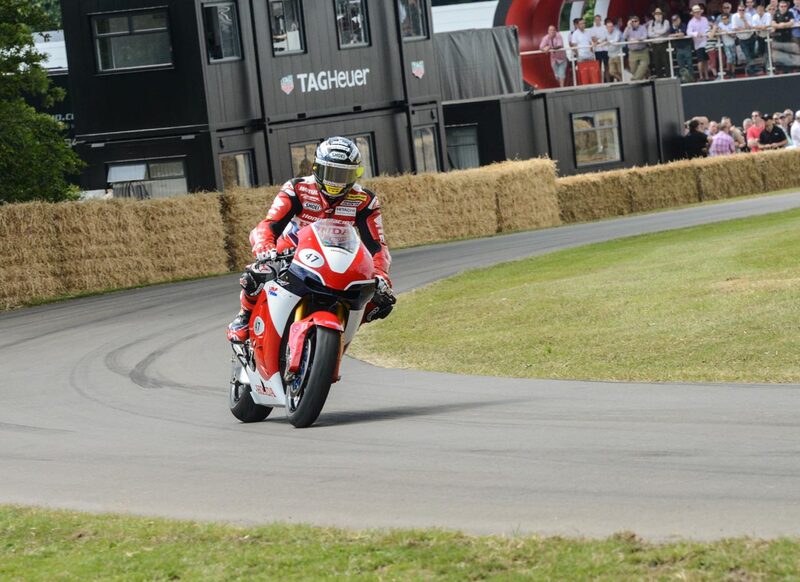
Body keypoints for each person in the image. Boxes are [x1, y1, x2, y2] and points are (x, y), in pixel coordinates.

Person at [227, 136, 395, 343]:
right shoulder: (297, 188)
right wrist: (264, 245)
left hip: (338, 256)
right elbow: (269, 224)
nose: (336, 181)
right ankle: (244, 316)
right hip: (293, 249)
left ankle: (339, 335)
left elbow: (377, 245)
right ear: (317, 168)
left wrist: (380, 274)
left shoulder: (365, 200)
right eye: (331, 173)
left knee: (382, 298)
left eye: (343, 174)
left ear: (356, 174)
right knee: (258, 273)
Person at [687, 4, 712, 80]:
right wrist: (697, 34)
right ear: (694, 13)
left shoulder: (704, 19)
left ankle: (707, 76)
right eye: (696, 12)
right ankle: (701, 76)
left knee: (706, 60)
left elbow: (708, 28)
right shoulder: (691, 22)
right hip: (698, 44)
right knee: (700, 61)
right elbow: (688, 32)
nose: (697, 13)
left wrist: (708, 33)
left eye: (698, 12)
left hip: (706, 42)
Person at [733, 3, 759, 74]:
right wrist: (743, 28)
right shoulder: (734, 16)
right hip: (742, 40)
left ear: (745, 10)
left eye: (743, 10)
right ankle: (752, 70)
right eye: (739, 10)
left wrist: (744, 20)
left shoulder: (748, 15)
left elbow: (749, 27)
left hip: (750, 37)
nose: (741, 11)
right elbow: (735, 28)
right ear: (737, 10)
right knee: (747, 55)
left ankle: (751, 69)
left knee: (752, 54)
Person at [623, 14, 651, 79]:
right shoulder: (628, 28)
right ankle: (639, 80)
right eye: (632, 21)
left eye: (636, 21)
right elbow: (624, 37)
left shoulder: (642, 27)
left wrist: (637, 39)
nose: (634, 23)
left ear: (639, 22)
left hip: (643, 50)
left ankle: (634, 79)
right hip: (632, 52)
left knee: (644, 66)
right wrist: (628, 27)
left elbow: (645, 36)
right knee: (633, 69)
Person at [671, 14, 695, 81]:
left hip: (686, 47)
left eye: (676, 20)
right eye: (673, 21)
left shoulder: (683, 25)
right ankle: (685, 79)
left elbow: (683, 34)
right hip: (678, 48)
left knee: (689, 63)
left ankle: (691, 78)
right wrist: (677, 35)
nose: (675, 22)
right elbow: (669, 35)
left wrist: (675, 35)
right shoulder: (672, 27)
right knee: (681, 65)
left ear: (679, 20)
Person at [648, 8, 672, 76]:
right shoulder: (651, 23)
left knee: (666, 61)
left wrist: (654, 32)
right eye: (656, 14)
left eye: (659, 14)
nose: (658, 15)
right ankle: (659, 77)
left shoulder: (666, 21)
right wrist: (660, 34)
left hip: (663, 44)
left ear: (662, 15)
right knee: (657, 62)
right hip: (655, 45)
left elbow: (664, 31)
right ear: (654, 15)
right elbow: (649, 34)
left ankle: (668, 76)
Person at [590, 14, 610, 80]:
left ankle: (607, 80)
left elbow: (607, 37)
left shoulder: (605, 27)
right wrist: (601, 40)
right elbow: (593, 38)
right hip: (598, 50)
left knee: (607, 66)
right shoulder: (592, 29)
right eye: (596, 20)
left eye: (598, 19)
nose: (597, 21)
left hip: (605, 49)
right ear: (594, 20)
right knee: (598, 66)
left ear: (601, 20)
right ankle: (599, 81)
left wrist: (599, 40)